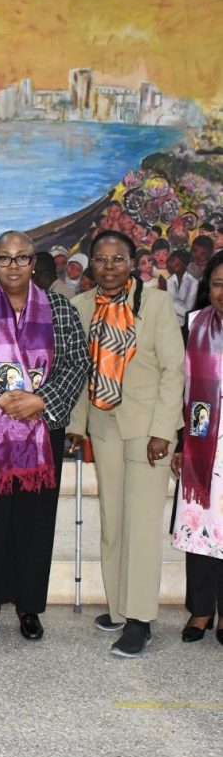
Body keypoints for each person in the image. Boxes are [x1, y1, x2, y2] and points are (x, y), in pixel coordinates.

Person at [0, 230, 89, 641]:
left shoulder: (59, 308)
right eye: (5, 258)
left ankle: (29, 606)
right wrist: (2, 400)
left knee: (34, 522)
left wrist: (40, 401)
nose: (13, 265)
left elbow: (77, 362)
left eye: (22, 257)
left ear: (33, 263)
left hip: (42, 430)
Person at [67, 230, 185, 657]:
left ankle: (140, 620)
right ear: (91, 265)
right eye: (101, 259)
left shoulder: (153, 304)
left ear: (133, 263)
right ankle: (118, 607)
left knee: (139, 524)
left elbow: (174, 371)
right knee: (113, 521)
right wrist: (75, 427)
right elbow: (79, 374)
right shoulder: (82, 307)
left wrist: (164, 431)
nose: (110, 266)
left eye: (118, 259)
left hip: (147, 429)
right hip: (104, 424)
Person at [171, 251, 223, 646]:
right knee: (201, 527)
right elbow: (180, 389)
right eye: (218, 283)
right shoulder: (194, 325)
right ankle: (201, 610)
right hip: (204, 443)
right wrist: (177, 441)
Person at [166, 249, 198, 327]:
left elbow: (187, 310)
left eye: (173, 261)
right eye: (170, 261)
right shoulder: (169, 280)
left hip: (185, 326)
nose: (170, 264)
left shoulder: (193, 282)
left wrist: (168, 299)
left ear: (183, 263)